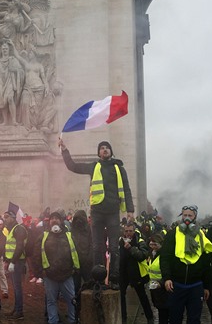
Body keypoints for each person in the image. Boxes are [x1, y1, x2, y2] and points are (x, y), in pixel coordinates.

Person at [58, 138, 134, 288]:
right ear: (99, 153)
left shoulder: (119, 168)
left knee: (113, 247)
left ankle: (114, 278)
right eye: (102, 148)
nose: (104, 149)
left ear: (111, 152)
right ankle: (98, 278)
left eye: (107, 148)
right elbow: (73, 166)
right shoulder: (94, 167)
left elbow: (127, 189)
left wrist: (130, 209)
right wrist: (64, 150)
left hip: (113, 212)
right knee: (97, 247)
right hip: (97, 212)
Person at [160, 205, 212, 324]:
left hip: (196, 286)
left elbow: (206, 262)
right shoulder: (172, 234)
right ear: (181, 216)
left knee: (194, 320)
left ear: (195, 217)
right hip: (177, 285)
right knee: (175, 319)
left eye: (190, 215)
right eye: (184, 215)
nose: (187, 218)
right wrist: (167, 278)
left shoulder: (201, 236)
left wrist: (207, 286)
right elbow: (165, 258)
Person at [33, 211, 79, 324]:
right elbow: (36, 254)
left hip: (67, 275)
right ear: (49, 222)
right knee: (51, 301)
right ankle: (53, 321)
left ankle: (72, 320)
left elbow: (75, 252)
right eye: (52, 218)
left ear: (61, 221)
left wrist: (75, 269)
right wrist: (40, 272)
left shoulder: (69, 236)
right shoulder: (43, 236)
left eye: (57, 218)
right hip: (49, 276)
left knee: (71, 301)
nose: (54, 220)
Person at [119, 222, 154, 324]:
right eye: (126, 231)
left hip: (136, 274)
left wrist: (130, 248)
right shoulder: (120, 241)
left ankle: (150, 317)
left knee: (142, 296)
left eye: (130, 231)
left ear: (134, 231)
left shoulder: (139, 241)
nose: (128, 233)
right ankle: (123, 318)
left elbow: (142, 255)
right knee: (121, 296)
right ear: (123, 232)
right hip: (123, 273)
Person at [0, 39, 25, 126]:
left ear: (9, 50)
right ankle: (5, 121)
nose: (5, 50)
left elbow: (21, 71)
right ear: (1, 50)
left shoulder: (12, 59)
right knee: (3, 102)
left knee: (10, 98)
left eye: (6, 48)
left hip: (10, 81)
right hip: (0, 82)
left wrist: (14, 70)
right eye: (3, 49)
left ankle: (13, 120)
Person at [3, 210, 28, 320]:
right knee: (15, 286)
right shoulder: (12, 229)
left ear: (13, 218)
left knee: (17, 287)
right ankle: (16, 309)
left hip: (18, 261)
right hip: (14, 261)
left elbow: (19, 247)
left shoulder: (19, 229)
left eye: (7, 217)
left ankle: (19, 311)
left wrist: (12, 262)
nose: (5, 219)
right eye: (5, 217)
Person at [70, 209, 93, 294]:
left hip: (87, 262)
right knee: (76, 287)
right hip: (76, 264)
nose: (79, 221)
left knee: (89, 285)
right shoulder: (72, 231)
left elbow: (92, 244)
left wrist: (89, 258)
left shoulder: (89, 230)